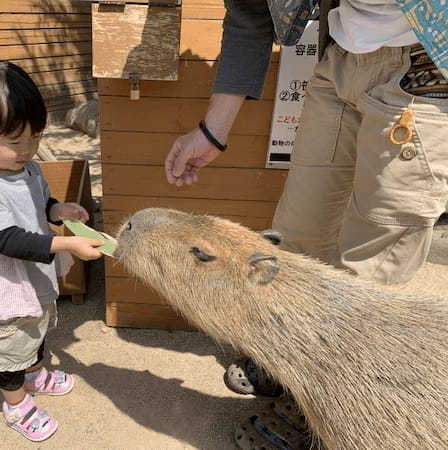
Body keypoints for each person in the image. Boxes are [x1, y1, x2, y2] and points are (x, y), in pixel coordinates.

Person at [164, 0, 448, 447]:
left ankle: (324, 408)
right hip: (339, 59)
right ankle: (291, 357)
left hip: (427, 66)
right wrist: (214, 129)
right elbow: (250, 12)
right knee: (297, 236)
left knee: (371, 266)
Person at [0, 60, 103, 442]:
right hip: (5, 283)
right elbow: (9, 240)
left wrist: (58, 211)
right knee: (9, 346)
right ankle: (16, 403)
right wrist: (67, 242)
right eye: (14, 141)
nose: (28, 150)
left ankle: (35, 373)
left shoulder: (28, 168)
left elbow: (41, 202)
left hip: (32, 276)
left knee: (34, 329)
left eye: (34, 137)